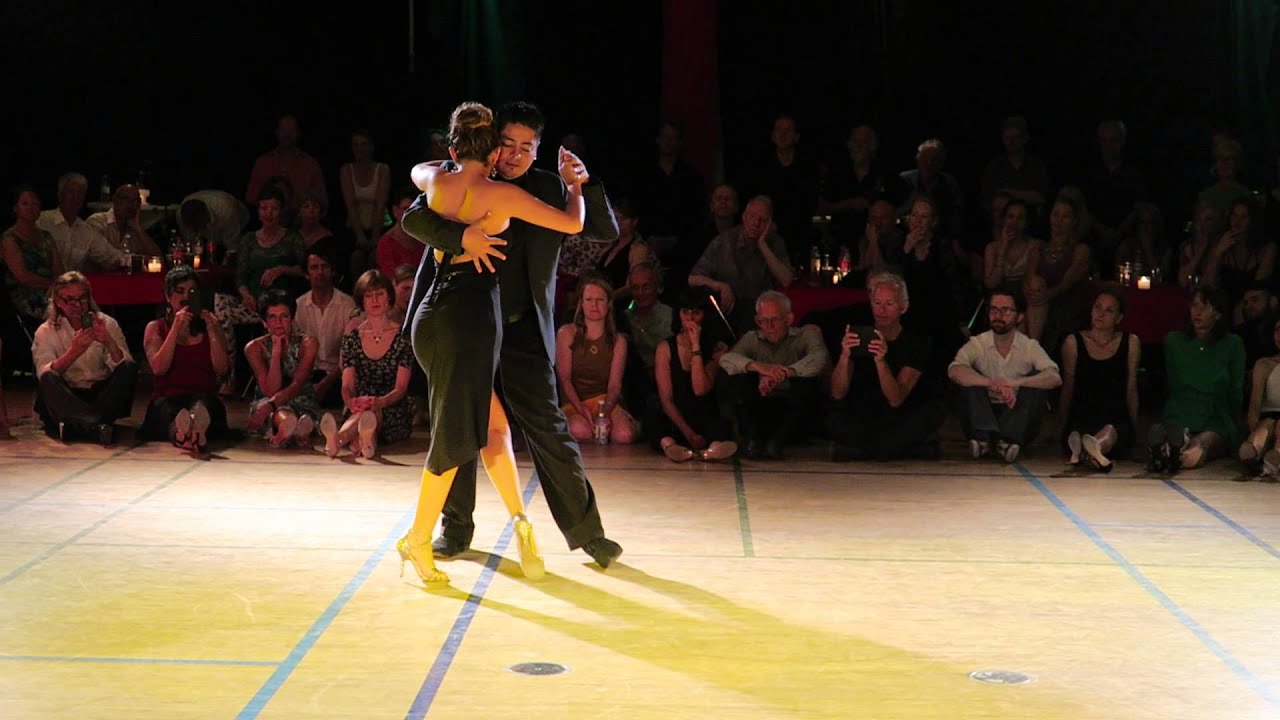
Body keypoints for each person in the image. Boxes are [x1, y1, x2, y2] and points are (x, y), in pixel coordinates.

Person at [401, 100, 624, 571]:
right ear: (492, 145)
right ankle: (455, 530)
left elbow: (600, 228)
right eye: (509, 144)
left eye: (528, 146)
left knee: (547, 427)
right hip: (468, 323)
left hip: (521, 331)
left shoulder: (546, 187)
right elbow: (417, 219)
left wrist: (580, 182)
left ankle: (589, 534)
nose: (517, 154)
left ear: (539, 150)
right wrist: (463, 239)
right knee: (459, 424)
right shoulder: (463, 178)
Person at [827, 272, 946, 461]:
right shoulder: (858, 336)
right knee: (836, 419)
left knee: (923, 417)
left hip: (900, 412)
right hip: (866, 409)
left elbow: (896, 399)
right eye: (877, 303)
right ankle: (908, 450)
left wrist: (881, 361)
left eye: (889, 304)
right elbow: (837, 393)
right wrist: (844, 356)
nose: (881, 310)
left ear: (903, 307)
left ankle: (870, 450)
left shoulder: (917, 342)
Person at [948, 288, 1062, 463]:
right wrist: (991, 382)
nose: (998, 315)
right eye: (994, 310)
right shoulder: (979, 343)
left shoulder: (1028, 346)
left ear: (1020, 316)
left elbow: (1054, 377)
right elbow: (954, 370)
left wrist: (1015, 383)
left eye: (1006, 310)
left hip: (1017, 416)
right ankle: (985, 438)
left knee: (1036, 381)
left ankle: (1007, 440)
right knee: (969, 376)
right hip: (984, 413)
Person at [720, 290, 829, 459]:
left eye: (774, 320)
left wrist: (786, 372)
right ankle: (754, 440)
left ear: (789, 319)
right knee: (739, 376)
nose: (768, 327)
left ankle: (777, 442)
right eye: (763, 321)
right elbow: (727, 359)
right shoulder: (752, 338)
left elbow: (819, 358)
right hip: (762, 406)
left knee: (806, 383)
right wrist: (759, 368)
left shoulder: (805, 335)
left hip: (794, 409)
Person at [31, 272, 138, 444]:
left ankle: (79, 424)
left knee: (129, 367)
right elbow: (43, 373)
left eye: (81, 299)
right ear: (58, 302)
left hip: (100, 394)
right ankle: (96, 426)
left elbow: (124, 366)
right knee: (48, 377)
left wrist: (108, 341)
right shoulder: (45, 331)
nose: (77, 305)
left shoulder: (107, 323)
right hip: (68, 394)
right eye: (70, 300)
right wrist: (75, 351)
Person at [320, 270, 414, 459]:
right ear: (362, 301)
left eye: (379, 294)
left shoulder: (403, 337)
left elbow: (401, 388)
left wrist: (380, 402)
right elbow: (347, 385)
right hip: (359, 405)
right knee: (365, 416)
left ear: (389, 296)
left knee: (371, 411)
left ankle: (337, 440)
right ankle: (366, 443)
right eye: (369, 295)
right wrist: (351, 401)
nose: (375, 300)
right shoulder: (352, 338)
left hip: (392, 407)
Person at [1150, 287, 1245, 473]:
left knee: (1204, 442)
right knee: (1175, 433)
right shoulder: (1174, 341)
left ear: (1218, 314)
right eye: (1194, 305)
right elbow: (1173, 382)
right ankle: (1169, 449)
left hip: (1214, 416)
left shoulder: (1233, 344)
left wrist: (1233, 423)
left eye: (1205, 307)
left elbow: (1236, 388)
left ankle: (1174, 456)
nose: (1197, 312)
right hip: (1180, 412)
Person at [141, 266, 231, 453]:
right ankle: (182, 433)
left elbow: (222, 369)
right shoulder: (155, 327)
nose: (185, 298)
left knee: (203, 407)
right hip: (168, 398)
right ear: (168, 296)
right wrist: (175, 329)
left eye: (191, 292)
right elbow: (159, 368)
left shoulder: (211, 326)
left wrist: (213, 330)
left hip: (203, 396)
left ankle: (196, 429)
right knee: (170, 413)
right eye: (179, 291)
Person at [649, 285, 736, 462]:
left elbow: (700, 389)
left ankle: (713, 450)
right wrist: (688, 434)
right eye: (685, 312)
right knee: (654, 417)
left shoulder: (716, 348)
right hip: (677, 418)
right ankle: (671, 446)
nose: (690, 318)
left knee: (721, 425)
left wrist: (696, 345)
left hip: (704, 414)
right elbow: (666, 399)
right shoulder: (665, 348)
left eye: (696, 313)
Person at [1058, 287, 1140, 471]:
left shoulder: (1131, 343)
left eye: (1109, 310)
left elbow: (1131, 387)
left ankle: (1093, 449)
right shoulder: (1073, 342)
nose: (1100, 314)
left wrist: (1133, 429)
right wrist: (1061, 425)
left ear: (1119, 318)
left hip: (1115, 416)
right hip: (1083, 413)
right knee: (1077, 434)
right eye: (1098, 307)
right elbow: (1068, 387)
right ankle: (1088, 453)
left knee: (1110, 432)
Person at [688, 195, 794, 335]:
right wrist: (720, 285)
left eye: (763, 220)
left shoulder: (774, 242)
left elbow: (786, 280)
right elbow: (693, 278)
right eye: (752, 217)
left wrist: (762, 244)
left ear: (769, 224)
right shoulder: (724, 240)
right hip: (728, 311)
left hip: (761, 314)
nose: (756, 223)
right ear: (744, 217)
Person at [555, 276, 639, 445]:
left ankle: (635, 424)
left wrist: (604, 412)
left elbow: (615, 385)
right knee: (580, 431)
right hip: (574, 402)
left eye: (600, 300)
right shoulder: (567, 333)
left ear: (608, 304)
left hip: (604, 401)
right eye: (589, 300)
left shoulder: (618, 341)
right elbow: (565, 380)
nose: (594, 305)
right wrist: (581, 409)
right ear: (582, 303)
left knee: (624, 435)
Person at [244, 289, 321, 448]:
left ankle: (292, 429)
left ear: (291, 319)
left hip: (299, 398)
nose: (278, 323)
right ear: (264, 322)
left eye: (284, 316)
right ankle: (292, 429)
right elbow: (270, 390)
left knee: (289, 409)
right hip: (267, 400)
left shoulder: (308, 344)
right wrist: (276, 352)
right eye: (272, 317)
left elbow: (297, 384)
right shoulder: (254, 348)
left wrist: (272, 404)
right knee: (273, 411)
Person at [293, 250, 358, 406]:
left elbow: (350, 354)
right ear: (307, 273)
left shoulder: (347, 304)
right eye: (314, 267)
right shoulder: (299, 305)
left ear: (332, 270)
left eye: (324, 267)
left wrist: (324, 385)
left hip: (338, 376)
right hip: (308, 375)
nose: (320, 272)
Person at [245, 114, 327, 226]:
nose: (287, 135)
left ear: (298, 133)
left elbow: (322, 200)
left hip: (301, 228)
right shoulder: (262, 162)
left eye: (292, 130)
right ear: (277, 132)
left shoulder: (311, 164)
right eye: (284, 130)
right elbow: (251, 197)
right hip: (269, 227)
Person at [37, 173, 124, 273]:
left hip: (72, 286)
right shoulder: (42, 221)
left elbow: (112, 256)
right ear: (60, 195)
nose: (76, 197)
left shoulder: (86, 231)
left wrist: (138, 260)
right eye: (71, 192)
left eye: (80, 193)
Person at [3, 186, 62, 321]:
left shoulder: (46, 236)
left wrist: (58, 286)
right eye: (25, 203)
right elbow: (23, 276)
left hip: (52, 290)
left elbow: (59, 269)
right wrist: (51, 285)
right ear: (15, 208)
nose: (30, 207)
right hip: (25, 294)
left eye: (35, 204)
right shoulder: (9, 239)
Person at [339, 128, 391, 274]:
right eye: (356, 145)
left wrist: (375, 237)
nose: (359, 149)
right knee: (356, 258)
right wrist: (360, 236)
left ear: (371, 147)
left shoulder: (382, 169)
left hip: (380, 227)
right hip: (355, 229)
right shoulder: (346, 170)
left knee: (375, 257)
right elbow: (350, 204)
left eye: (363, 144)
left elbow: (380, 205)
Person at [1239, 313, 1280, 479]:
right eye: (1278, 330)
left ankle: (1276, 457)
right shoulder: (1264, 364)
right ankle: (1257, 455)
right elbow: (1254, 406)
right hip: (1268, 417)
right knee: (1264, 430)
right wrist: (1252, 430)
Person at [86, 183, 163, 258]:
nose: (131, 205)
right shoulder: (97, 222)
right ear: (115, 200)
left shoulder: (134, 228)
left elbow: (156, 258)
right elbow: (104, 255)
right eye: (126, 199)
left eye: (135, 201)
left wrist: (138, 229)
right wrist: (131, 261)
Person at [375, 187, 426, 282]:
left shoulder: (424, 238)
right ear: (395, 211)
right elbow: (390, 279)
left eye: (413, 209)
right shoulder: (386, 243)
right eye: (405, 208)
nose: (410, 213)